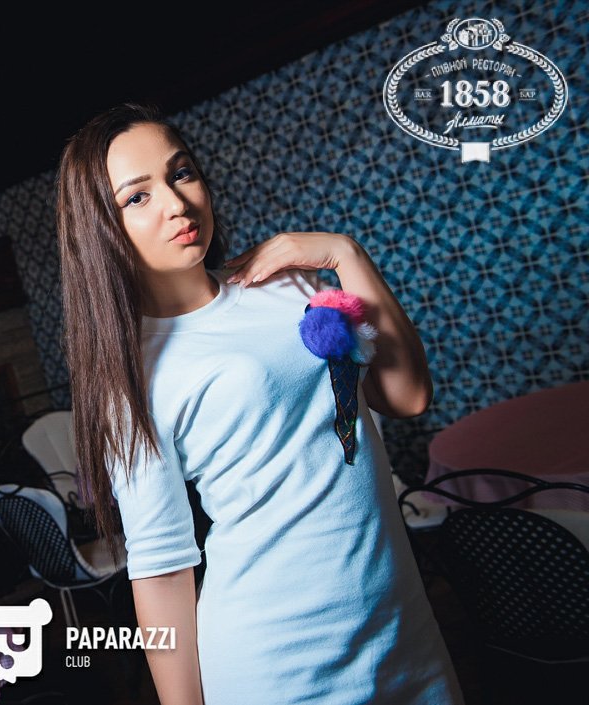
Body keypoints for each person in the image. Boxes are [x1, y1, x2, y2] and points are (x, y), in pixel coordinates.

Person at [55, 103, 464, 704]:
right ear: (101, 228)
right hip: (280, 663)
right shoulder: (131, 375)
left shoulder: (288, 285)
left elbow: (406, 395)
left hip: (403, 629)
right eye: (137, 197)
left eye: (181, 173)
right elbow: (161, 571)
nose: (176, 204)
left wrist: (345, 254)